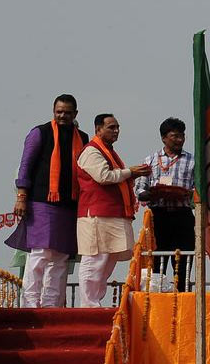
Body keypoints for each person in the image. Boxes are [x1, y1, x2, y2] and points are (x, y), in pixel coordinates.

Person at [6, 94, 91, 308]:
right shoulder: (39, 133)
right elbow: (25, 166)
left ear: (75, 114)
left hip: (69, 204)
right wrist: (21, 197)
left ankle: (52, 304)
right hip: (41, 202)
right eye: (59, 112)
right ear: (53, 111)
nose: (62, 116)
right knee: (40, 253)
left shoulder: (82, 137)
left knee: (61, 257)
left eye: (67, 113)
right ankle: (30, 303)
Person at [76, 114, 151, 307]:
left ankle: (95, 302)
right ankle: (88, 305)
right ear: (98, 129)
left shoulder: (108, 151)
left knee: (108, 261)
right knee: (95, 260)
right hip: (97, 214)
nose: (116, 131)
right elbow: (104, 176)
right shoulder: (91, 151)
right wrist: (131, 172)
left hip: (112, 214)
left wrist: (131, 174)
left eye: (117, 127)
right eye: (111, 127)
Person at [134, 117, 195, 291]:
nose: (180, 140)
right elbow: (140, 190)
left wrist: (186, 194)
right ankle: (156, 299)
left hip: (182, 217)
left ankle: (183, 299)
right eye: (175, 136)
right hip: (159, 216)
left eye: (182, 136)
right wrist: (152, 193)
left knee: (184, 261)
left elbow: (199, 191)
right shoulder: (151, 160)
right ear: (164, 138)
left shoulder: (192, 161)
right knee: (157, 260)